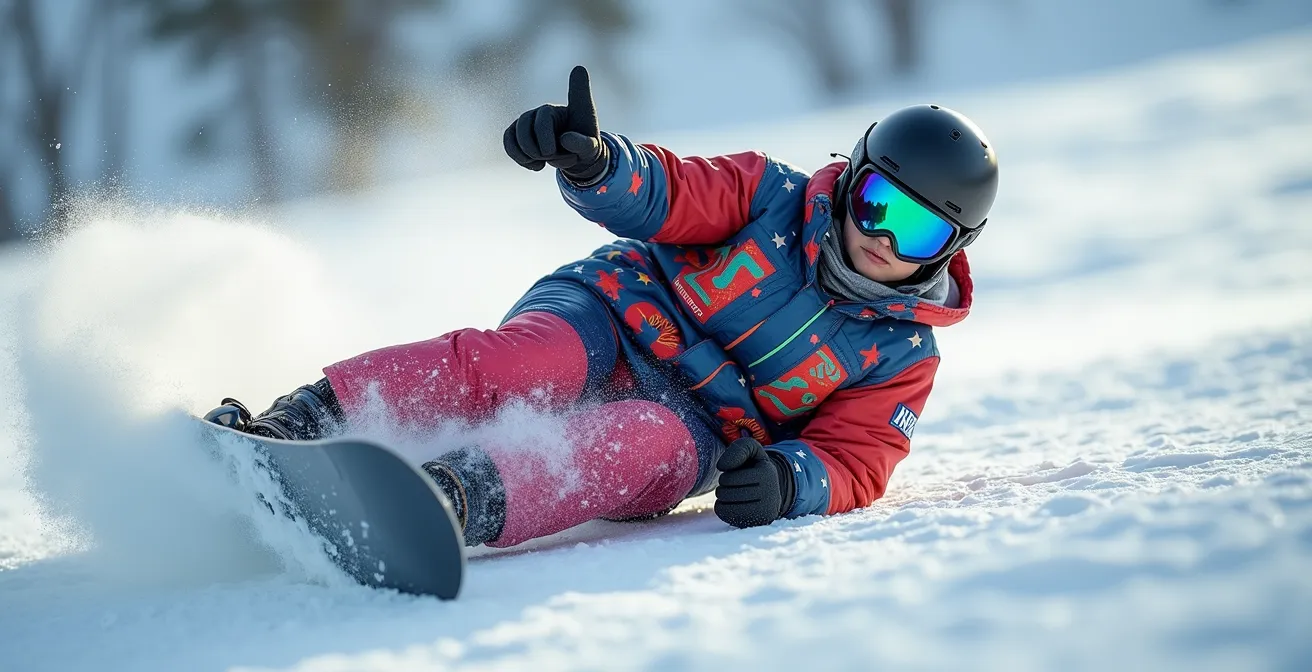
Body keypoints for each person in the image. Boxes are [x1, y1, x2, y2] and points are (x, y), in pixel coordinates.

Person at [205, 65, 998, 549]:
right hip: (612, 314)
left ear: (954, 245)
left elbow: (859, 459)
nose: (883, 237)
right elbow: (670, 192)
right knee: (528, 362)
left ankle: (445, 499)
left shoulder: (901, 357)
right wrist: (596, 166)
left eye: (920, 228)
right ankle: (301, 421)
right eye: (875, 201)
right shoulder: (771, 195)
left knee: (629, 442)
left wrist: (791, 483)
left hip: (698, 429)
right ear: (851, 175)